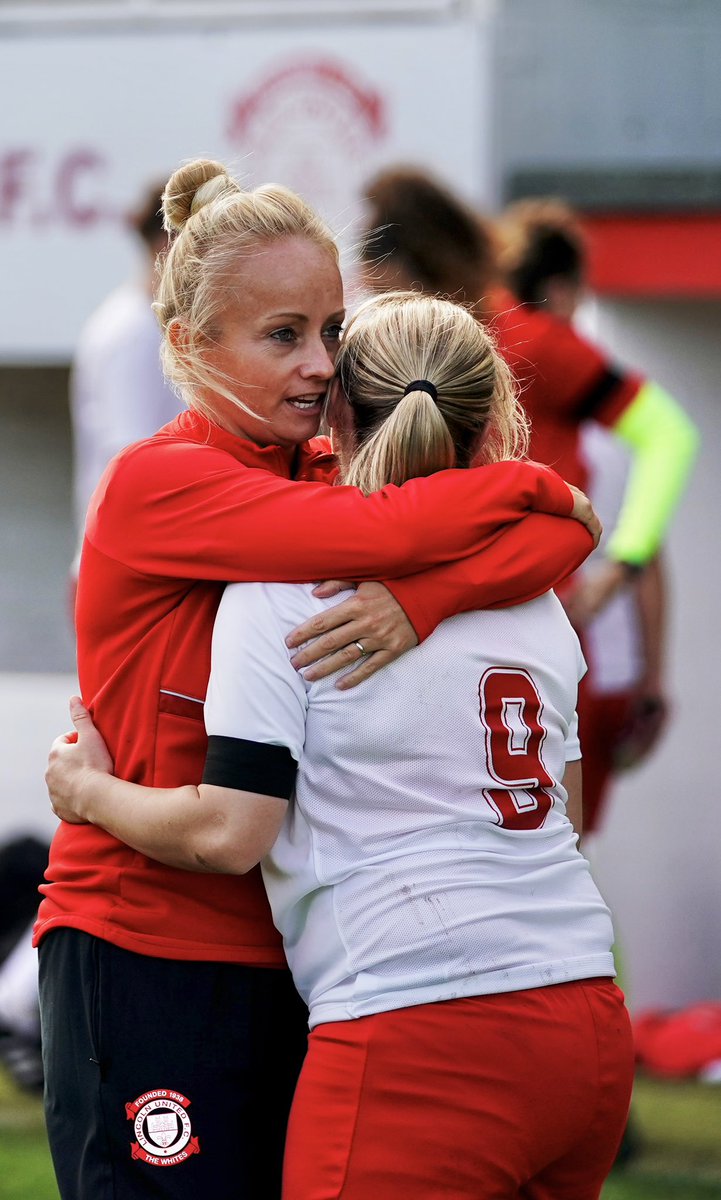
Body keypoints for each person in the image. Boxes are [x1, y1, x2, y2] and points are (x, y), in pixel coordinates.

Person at [35, 158, 598, 1200]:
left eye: (331, 330)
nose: (317, 365)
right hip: (146, 943)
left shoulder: (319, 471)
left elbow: (554, 546)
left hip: (296, 963)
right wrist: (523, 481)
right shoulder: (166, 481)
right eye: (279, 335)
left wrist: (420, 602)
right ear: (189, 347)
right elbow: (506, 517)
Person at [359, 166, 697, 827]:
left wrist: (620, 568)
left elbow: (667, 435)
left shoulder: (523, 337)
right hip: (430, 637)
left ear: (410, 266)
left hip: (543, 634)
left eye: (376, 278)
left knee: (556, 857)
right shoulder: (378, 354)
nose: (366, 296)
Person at [496, 197, 670, 832]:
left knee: (548, 851)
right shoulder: (602, 418)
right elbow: (648, 555)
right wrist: (653, 679)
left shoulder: (578, 408)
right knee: (564, 852)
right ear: (562, 291)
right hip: (587, 654)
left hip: (558, 650)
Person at [69, 180, 183, 567]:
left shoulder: (147, 324)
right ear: (165, 245)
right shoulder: (133, 332)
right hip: (129, 563)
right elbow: (133, 459)